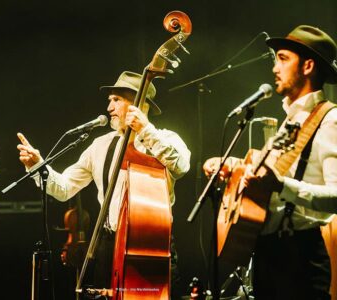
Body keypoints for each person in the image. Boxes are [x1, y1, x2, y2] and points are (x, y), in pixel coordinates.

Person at [17, 71, 191, 298]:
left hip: (151, 245)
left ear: (141, 104)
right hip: (109, 246)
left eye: (117, 100)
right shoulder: (101, 145)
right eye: (109, 100)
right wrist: (38, 165)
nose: (109, 107)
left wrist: (145, 130)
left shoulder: (165, 138)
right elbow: (64, 188)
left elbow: (181, 165)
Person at [204, 25, 337, 299]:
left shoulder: (330, 120)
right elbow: (267, 176)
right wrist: (231, 167)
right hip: (267, 254)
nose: (275, 68)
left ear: (308, 65)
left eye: (283, 58)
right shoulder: (290, 121)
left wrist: (282, 185)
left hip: (300, 256)